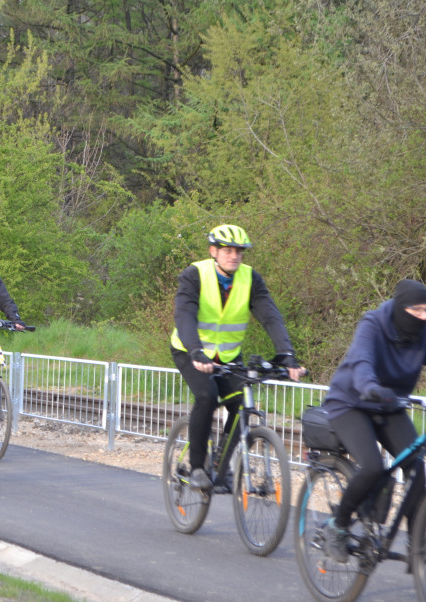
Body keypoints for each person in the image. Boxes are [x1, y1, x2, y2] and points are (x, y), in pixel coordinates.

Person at [169, 224, 305, 491]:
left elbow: (270, 316)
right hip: (190, 351)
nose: (234, 256)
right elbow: (184, 315)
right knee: (207, 397)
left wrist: (287, 355)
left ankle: (220, 467)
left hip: (229, 355)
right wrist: (196, 351)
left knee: (241, 405)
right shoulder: (195, 275)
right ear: (213, 251)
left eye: (239, 251)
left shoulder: (250, 279)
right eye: (228, 250)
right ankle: (197, 467)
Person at [318, 279, 426, 563]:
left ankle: (419, 547)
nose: (423, 317)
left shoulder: (423, 330)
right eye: (417, 311)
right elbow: (362, 361)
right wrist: (370, 386)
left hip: (389, 406)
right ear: (401, 308)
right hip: (351, 403)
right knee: (372, 467)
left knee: (417, 471)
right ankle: (337, 526)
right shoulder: (373, 324)